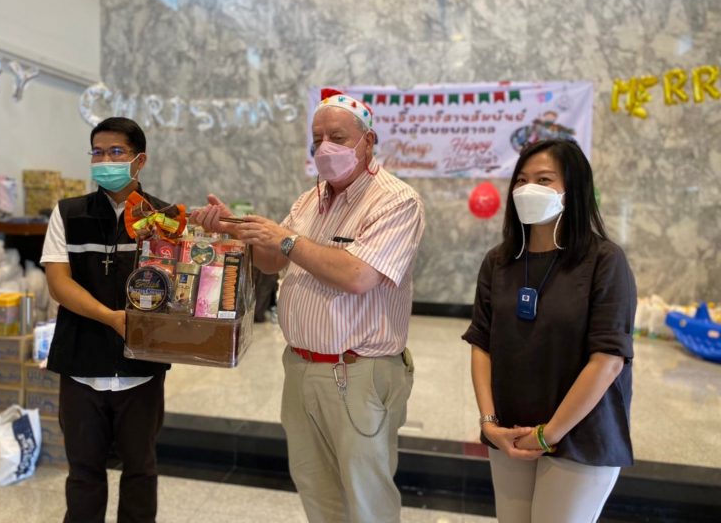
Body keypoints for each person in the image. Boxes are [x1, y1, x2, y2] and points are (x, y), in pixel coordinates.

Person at [191, 89, 425, 522]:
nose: (325, 148)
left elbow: (358, 275)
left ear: (368, 141)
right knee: (317, 490)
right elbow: (272, 261)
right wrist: (237, 230)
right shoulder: (309, 200)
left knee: (366, 497)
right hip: (300, 367)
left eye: (338, 137)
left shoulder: (396, 200)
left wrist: (285, 239)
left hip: (357, 371)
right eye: (317, 139)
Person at [463, 139, 637, 522]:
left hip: (580, 435)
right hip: (510, 432)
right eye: (521, 180)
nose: (529, 189)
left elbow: (608, 360)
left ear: (573, 189)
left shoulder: (604, 261)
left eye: (544, 179)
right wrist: (490, 424)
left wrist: (549, 433)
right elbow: (481, 344)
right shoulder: (499, 261)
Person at [41, 117, 170, 523]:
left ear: (139, 160)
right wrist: (110, 318)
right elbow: (59, 283)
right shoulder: (69, 213)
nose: (105, 160)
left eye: (116, 152)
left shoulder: (164, 217)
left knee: (141, 471)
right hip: (80, 364)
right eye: (97, 152)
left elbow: (177, 286)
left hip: (142, 368)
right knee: (83, 474)